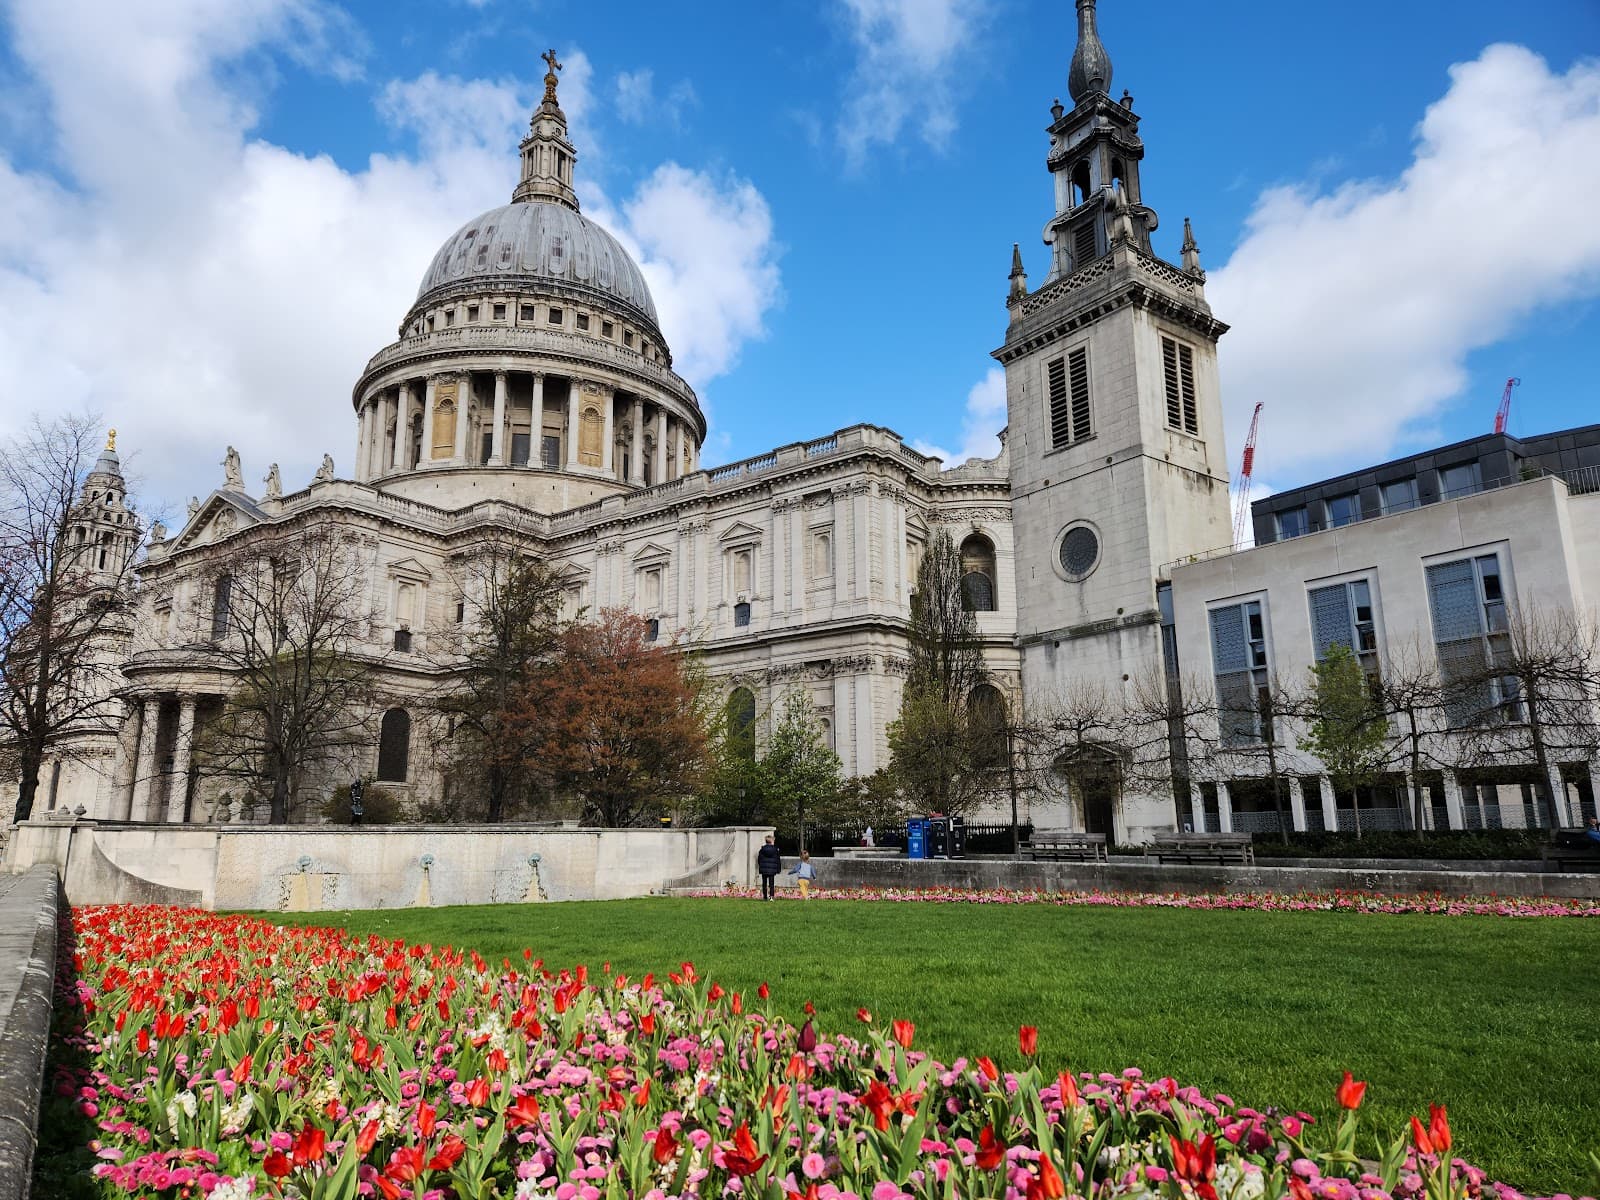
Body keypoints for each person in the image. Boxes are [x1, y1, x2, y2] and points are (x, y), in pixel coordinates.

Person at [756, 835, 782, 900]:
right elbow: (778, 860)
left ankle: (765, 896)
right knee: (771, 884)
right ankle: (771, 896)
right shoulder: (775, 850)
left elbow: (759, 859)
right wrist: (778, 869)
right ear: (772, 841)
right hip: (772, 869)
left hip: (764, 869)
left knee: (764, 883)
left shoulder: (762, 850)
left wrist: (761, 866)